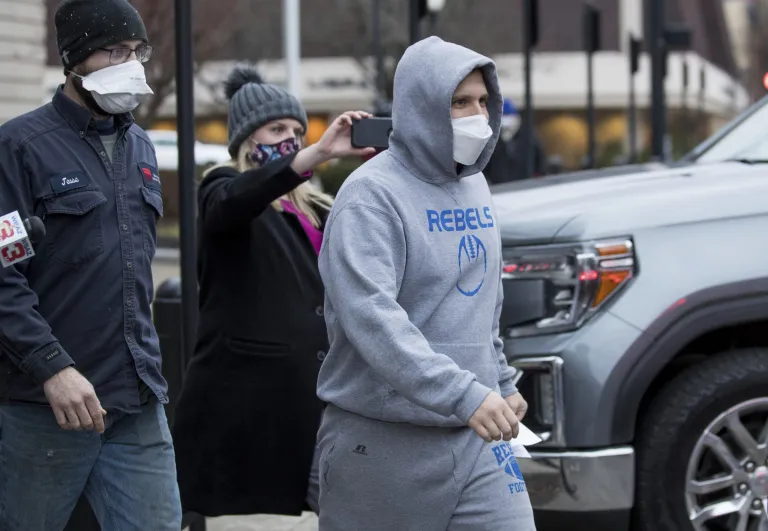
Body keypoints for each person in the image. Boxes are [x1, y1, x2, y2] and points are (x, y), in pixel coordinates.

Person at [316, 36, 537, 530]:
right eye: (459, 102)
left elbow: (484, 301)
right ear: (421, 106)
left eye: (482, 101)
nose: (477, 115)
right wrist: (465, 394)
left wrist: (501, 382)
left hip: (477, 437)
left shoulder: (475, 184)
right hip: (382, 445)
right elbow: (373, 320)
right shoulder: (370, 196)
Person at [0, 1, 181, 530]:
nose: (132, 65)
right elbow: (3, 277)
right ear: (74, 60)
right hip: (46, 405)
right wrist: (52, 368)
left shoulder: (140, 145)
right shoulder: (19, 147)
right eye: (115, 52)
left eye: (138, 51)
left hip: (136, 397)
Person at [171, 66, 375, 518]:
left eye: (297, 132)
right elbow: (236, 201)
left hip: (323, 393)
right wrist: (317, 154)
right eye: (277, 129)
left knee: (355, 510)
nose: (290, 140)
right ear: (247, 138)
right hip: (256, 407)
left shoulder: (315, 208)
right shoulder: (221, 189)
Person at [483, 98, 547, 184]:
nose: (506, 127)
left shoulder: (528, 137)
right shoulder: (491, 140)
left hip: (524, 185)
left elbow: (540, 163)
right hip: (498, 186)